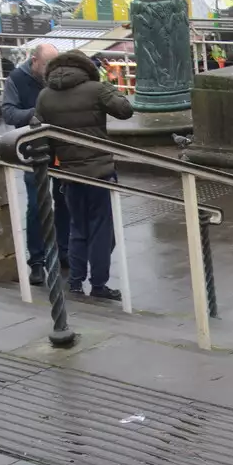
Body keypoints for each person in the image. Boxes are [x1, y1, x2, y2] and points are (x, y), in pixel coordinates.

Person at [35, 50, 134, 300]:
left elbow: (40, 133)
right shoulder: (96, 89)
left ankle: (76, 283)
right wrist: (107, 87)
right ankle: (99, 285)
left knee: (77, 228)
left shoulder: (45, 95)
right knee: (102, 230)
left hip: (69, 174)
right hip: (100, 172)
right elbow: (125, 110)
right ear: (85, 67)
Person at [2, 42, 69, 287]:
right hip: (32, 150)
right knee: (37, 205)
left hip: (59, 149)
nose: (52, 70)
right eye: (47, 65)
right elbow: (8, 113)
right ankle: (37, 261)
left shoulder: (59, 78)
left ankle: (64, 251)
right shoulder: (16, 79)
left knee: (64, 200)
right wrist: (38, 114)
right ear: (35, 61)